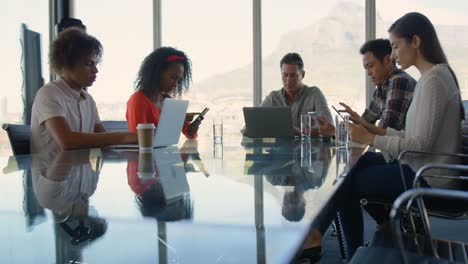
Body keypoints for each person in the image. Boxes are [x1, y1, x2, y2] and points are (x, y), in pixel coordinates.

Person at [336, 12, 465, 259]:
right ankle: (346, 247)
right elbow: (411, 135)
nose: (393, 55)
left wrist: (370, 139)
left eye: (395, 46)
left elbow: (419, 145)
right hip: (420, 168)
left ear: (415, 41)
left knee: (346, 182)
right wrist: (369, 130)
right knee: (355, 165)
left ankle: (351, 253)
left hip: (426, 178)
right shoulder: (433, 77)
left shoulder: (434, 81)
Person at [30, 28, 137, 154]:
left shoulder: (88, 100)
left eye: (95, 64)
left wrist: (133, 145)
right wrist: (126, 136)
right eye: (88, 64)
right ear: (66, 63)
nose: (95, 70)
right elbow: (67, 141)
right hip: (53, 172)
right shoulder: (49, 94)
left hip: (79, 171)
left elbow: (104, 140)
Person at [317, 39, 416, 137]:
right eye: (366, 68)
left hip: (405, 152)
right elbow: (365, 124)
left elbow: (385, 131)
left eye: (371, 66)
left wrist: (341, 130)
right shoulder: (381, 88)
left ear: (387, 60)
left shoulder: (399, 81)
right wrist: (336, 131)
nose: (368, 73)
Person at [126, 47, 200, 138]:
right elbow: (139, 138)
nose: (176, 84)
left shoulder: (167, 100)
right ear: (157, 73)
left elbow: (188, 133)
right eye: (173, 77)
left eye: (178, 80)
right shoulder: (138, 99)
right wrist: (174, 121)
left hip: (164, 151)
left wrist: (191, 129)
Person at [260, 52, 333, 136]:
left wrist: (298, 132)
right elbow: (248, 129)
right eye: (285, 75)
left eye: (293, 75)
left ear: (302, 75)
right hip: (281, 148)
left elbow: (329, 128)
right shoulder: (273, 98)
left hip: (310, 148)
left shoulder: (314, 94)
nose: (288, 80)